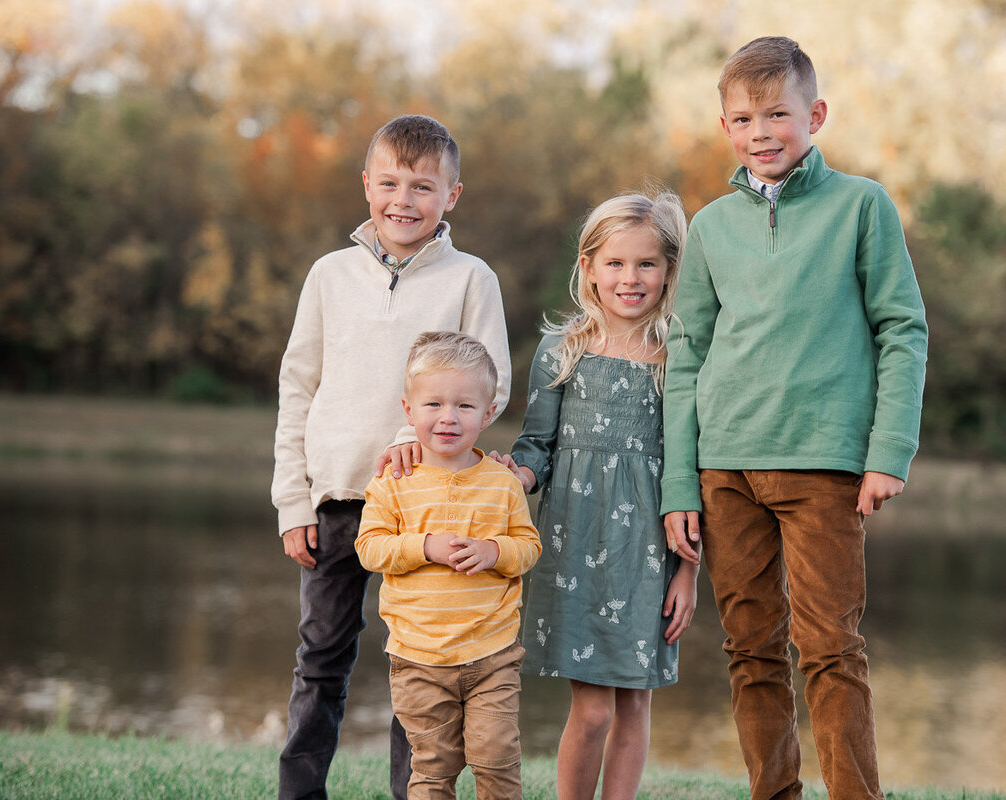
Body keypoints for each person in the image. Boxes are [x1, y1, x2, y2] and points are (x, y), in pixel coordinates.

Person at [660, 37, 928, 800]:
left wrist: (889, 452)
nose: (761, 131)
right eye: (743, 118)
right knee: (750, 651)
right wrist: (681, 484)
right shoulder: (710, 227)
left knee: (831, 648)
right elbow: (686, 356)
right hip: (725, 469)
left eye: (777, 113)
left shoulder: (861, 206)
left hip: (825, 467)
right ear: (725, 128)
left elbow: (902, 329)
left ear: (814, 115)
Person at [271, 114, 512, 800]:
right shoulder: (329, 275)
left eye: (422, 187)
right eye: (389, 183)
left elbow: (489, 386)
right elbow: (297, 388)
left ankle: (419, 794)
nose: (403, 200)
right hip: (336, 502)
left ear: (451, 196)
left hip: (429, 509)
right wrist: (293, 501)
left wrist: (421, 436)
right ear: (367, 186)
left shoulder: (471, 279)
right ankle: (299, 793)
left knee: (424, 666)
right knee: (320, 659)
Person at [494, 190, 700, 800]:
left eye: (646, 264)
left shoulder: (679, 355)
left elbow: (690, 470)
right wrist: (516, 478)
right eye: (614, 263)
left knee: (634, 705)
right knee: (592, 712)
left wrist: (687, 573)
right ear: (588, 267)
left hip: (649, 554)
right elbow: (537, 446)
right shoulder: (563, 350)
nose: (630, 278)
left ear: (669, 271)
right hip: (575, 544)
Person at [355, 331, 541, 800]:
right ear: (408, 410)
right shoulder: (392, 481)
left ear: (489, 412)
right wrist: (425, 546)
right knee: (433, 769)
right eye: (433, 404)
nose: (448, 418)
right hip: (418, 657)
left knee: (497, 759)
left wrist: (494, 553)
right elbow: (370, 548)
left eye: (464, 406)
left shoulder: (503, 483)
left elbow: (528, 545)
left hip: (492, 653)